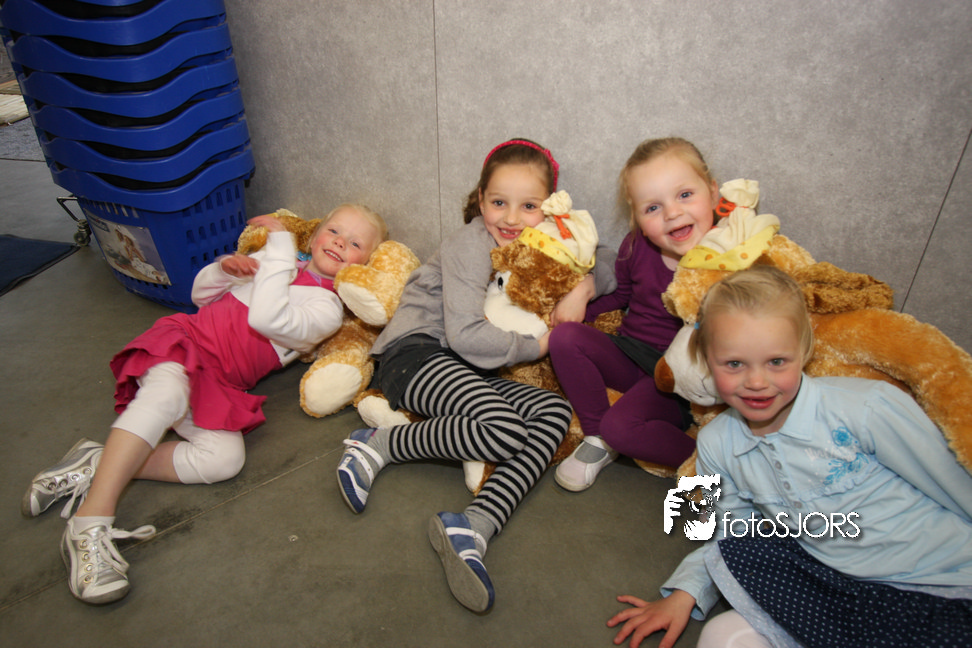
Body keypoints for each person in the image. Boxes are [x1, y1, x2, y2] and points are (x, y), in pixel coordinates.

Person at [23, 204, 387, 605]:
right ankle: (89, 522)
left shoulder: (326, 309)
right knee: (166, 396)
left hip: (218, 383)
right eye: (334, 231)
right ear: (315, 236)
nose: (340, 242)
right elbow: (199, 295)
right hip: (185, 345)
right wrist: (224, 271)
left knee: (224, 461)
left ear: (364, 265)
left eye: (355, 243)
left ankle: (98, 461)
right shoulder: (274, 261)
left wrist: (281, 247)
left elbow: (266, 319)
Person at [608, 265, 972, 648]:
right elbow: (731, 533)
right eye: (734, 364)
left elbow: (955, 486)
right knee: (721, 636)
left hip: (945, 583)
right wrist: (686, 591)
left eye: (777, 362)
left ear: (803, 349)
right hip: (832, 588)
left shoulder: (867, 407)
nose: (757, 382)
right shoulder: (714, 442)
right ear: (706, 360)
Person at [335, 138, 616, 613]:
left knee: (551, 410)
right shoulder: (470, 244)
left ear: (550, 208)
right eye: (498, 202)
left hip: (468, 370)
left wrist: (583, 287)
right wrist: (541, 346)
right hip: (416, 356)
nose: (511, 218)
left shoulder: (549, 239)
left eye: (528, 206)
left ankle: (474, 526)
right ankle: (379, 444)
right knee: (505, 430)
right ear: (481, 199)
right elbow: (465, 335)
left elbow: (608, 260)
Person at [549, 137, 715, 491]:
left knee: (621, 428)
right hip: (631, 352)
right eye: (652, 207)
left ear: (713, 192)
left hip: (675, 380)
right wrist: (578, 303)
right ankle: (596, 436)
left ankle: (709, 464)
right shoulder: (637, 245)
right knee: (563, 337)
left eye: (685, 195)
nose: (672, 213)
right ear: (636, 217)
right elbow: (621, 296)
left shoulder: (731, 255)